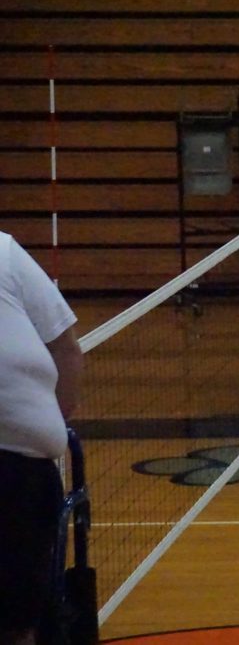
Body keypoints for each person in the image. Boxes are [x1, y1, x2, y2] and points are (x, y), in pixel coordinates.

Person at [1, 232, 84, 645]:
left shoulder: (3, 251)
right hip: (20, 471)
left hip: (21, 474)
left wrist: (51, 421)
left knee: (18, 619)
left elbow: (66, 347)